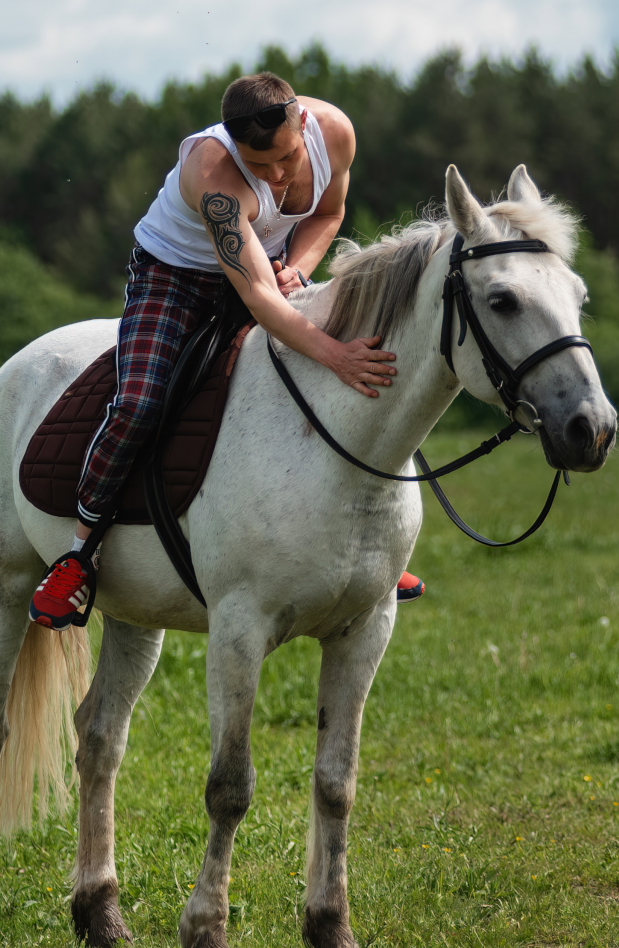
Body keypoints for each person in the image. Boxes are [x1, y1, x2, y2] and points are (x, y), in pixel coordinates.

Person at [29, 72, 427, 628]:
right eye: (258, 167)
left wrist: (299, 271)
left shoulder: (335, 131)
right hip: (175, 279)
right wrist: (334, 354)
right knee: (141, 402)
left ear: (303, 124)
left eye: (285, 159)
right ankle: (78, 553)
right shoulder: (214, 175)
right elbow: (258, 298)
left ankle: (364, 554)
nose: (276, 176)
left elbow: (327, 216)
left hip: (267, 265)